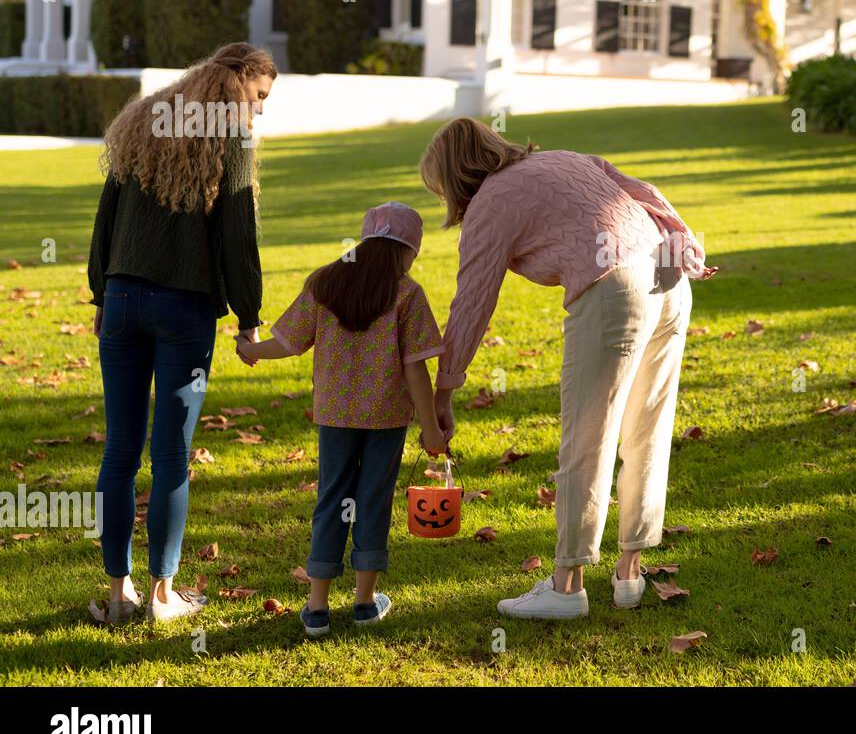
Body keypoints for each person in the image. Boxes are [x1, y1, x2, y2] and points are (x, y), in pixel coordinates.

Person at [419, 118, 716, 620]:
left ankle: (567, 586)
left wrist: (444, 390)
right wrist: (683, 241)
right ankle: (630, 572)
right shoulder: (563, 158)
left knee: (587, 435)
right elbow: (644, 191)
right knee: (648, 430)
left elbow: (471, 302)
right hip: (668, 276)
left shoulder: (490, 203)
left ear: (454, 177)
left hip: (616, 287)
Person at [88, 42, 275, 624]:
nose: (261, 111)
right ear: (242, 83)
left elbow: (107, 216)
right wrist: (248, 315)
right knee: (169, 454)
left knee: (119, 452)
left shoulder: (144, 117)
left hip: (121, 300)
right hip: (184, 308)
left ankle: (119, 596)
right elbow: (238, 233)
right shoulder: (233, 134)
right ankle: (163, 595)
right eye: (261, 97)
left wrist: (102, 291)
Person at [236, 202, 446, 638]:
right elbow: (415, 369)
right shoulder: (407, 293)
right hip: (386, 419)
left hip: (335, 417)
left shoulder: (325, 283)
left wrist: (250, 350)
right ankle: (365, 602)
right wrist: (430, 429)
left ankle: (316, 608)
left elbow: (289, 342)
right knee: (373, 500)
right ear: (408, 251)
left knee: (332, 499)